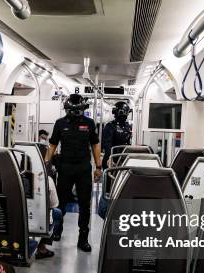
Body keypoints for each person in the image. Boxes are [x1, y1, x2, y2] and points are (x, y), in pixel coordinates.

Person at [45, 94, 102, 252]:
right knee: (60, 202)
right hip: (65, 168)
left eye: (77, 111)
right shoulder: (60, 123)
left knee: (85, 205)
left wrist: (98, 166)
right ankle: (57, 229)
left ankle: (83, 238)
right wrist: (45, 164)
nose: (75, 114)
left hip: (83, 168)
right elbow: (52, 145)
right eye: (72, 111)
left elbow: (95, 144)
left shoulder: (89, 124)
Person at [36, 175, 63, 259]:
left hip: (15, 217)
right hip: (36, 218)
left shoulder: (12, 175)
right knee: (57, 213)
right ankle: (41, 248)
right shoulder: (47, 179)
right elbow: (54, 204)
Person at [102, 101, 132, 169]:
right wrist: (110, 157)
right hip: (112, 158)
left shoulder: (127, 126)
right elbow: (107, 144)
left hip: (123, 157)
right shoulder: (110, 126)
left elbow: (128, 142)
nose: (125, 115)